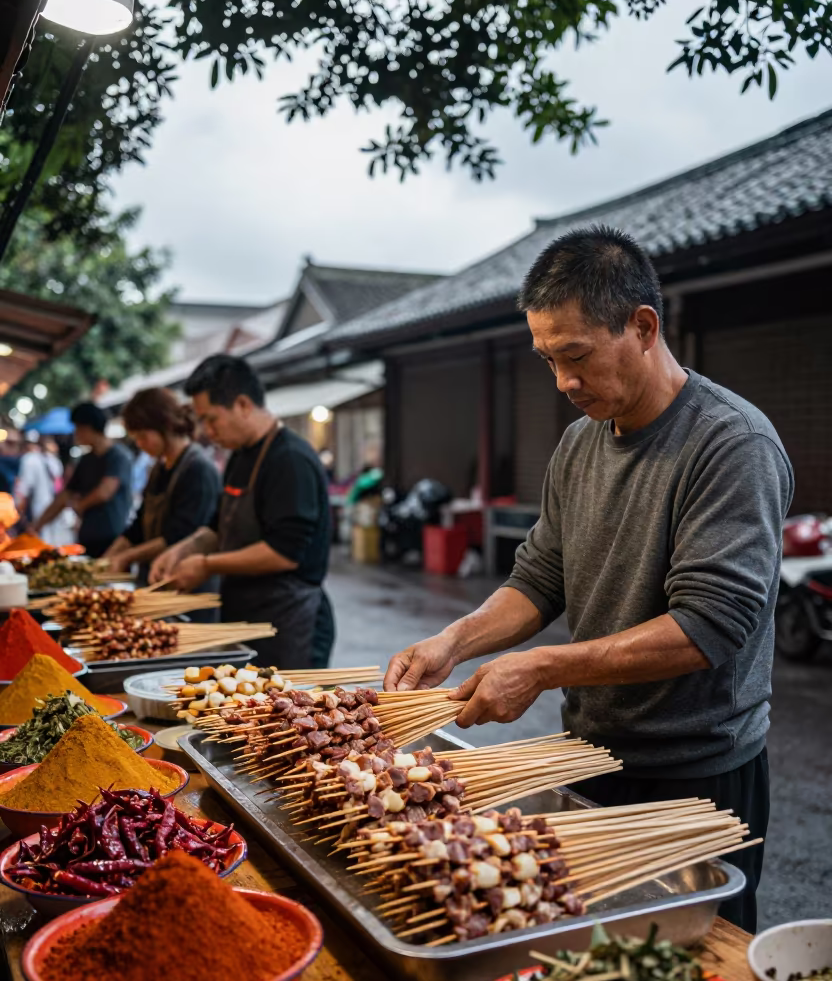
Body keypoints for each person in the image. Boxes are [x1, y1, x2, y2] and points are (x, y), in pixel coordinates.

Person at [384, 225, 793, 933]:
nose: (564, 383)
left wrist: (541, 668)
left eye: (576, 356)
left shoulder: (732, 443)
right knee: (587, 939)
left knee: (693, 960)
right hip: (591, 748)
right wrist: (455, 640)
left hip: (696, 769)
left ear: (642, 327)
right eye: (547, 360)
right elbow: (542, 577)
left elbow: (710, 625)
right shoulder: (580, 442)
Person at [150, 355, 334, 668]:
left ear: (244, 405)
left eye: (211, 419)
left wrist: (206, 565)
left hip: (288, 622)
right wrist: (180, 550)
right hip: (245, 613)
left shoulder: (290, 459)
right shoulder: (240, 456)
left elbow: (284, 553)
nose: (206, 431)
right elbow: (218, 525)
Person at [104, 388, 221, 587]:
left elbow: (179, 535)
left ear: (165, 426)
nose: (140, 445)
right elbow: (139, 525)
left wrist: (126, 557)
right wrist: (107, 559)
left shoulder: (198, 469)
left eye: (142, 436)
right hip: (153, 579)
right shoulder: (159, 467)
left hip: (185, 586)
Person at [34, 403, 133, 557]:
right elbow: (65, 495)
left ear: (88, 428)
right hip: (87, 538)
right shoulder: (86, 460)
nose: (76, 433)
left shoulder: (118, 456)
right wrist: (37, 525)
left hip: (113, 540)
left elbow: (105, 492)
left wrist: (79, 505)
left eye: (78, 428)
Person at [14, 433, 59, 543]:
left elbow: (22, 492)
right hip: (55, 511)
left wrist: (20, 516)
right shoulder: (53, 460)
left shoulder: (28, 459)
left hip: (37, 513)